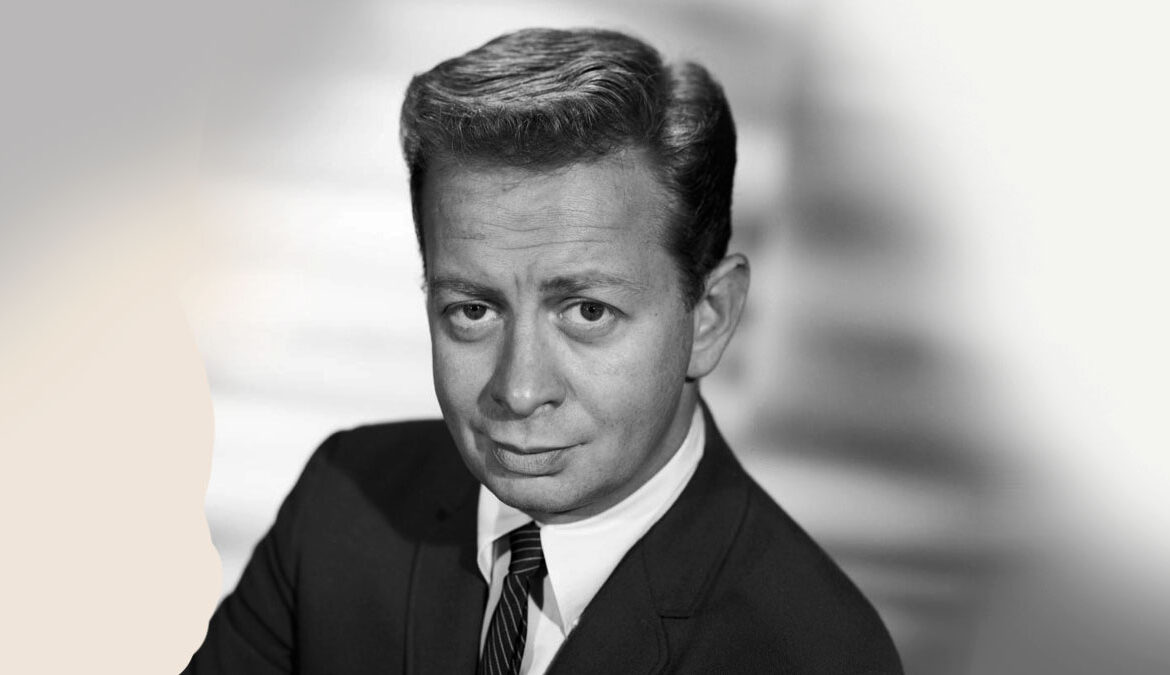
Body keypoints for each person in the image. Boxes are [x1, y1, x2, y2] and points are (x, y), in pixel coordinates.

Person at [184, 27, 902, 675]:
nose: (520, 390)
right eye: (473, 310)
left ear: (710, 318)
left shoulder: (814, 655)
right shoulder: (345, 505)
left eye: (588, 312)